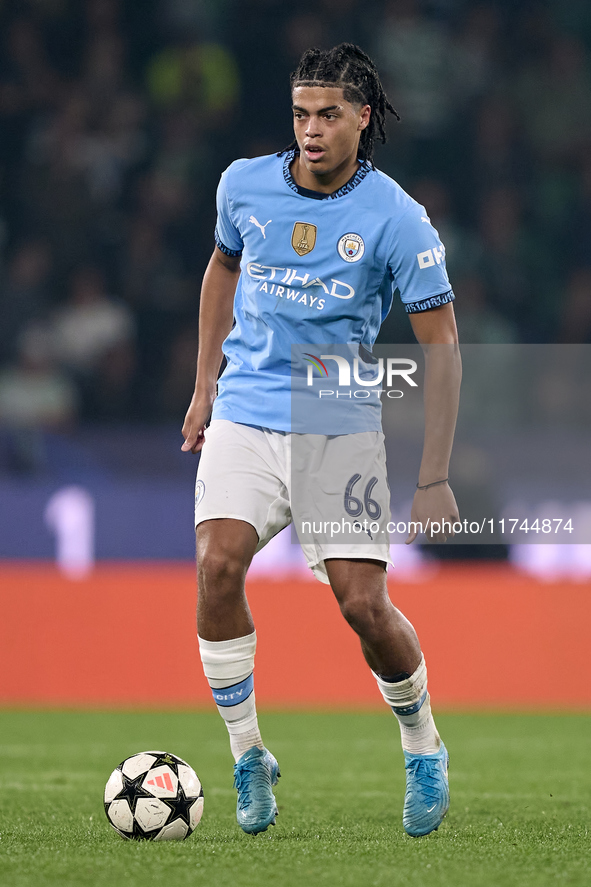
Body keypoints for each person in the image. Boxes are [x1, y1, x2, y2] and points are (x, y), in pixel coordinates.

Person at [181, 43, 461, 838]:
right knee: (216, 564)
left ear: (361, 118)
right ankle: (247, 756)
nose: (311, 129)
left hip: (336, 423)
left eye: (329, 114)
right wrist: (204, 386)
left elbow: (440, 345)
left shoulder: (396, 218)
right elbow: (220, 270)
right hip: (244, 409)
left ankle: (421, 742)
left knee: (362, 604)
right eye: (301, 113)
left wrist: (432, 475)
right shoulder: (242, 185)